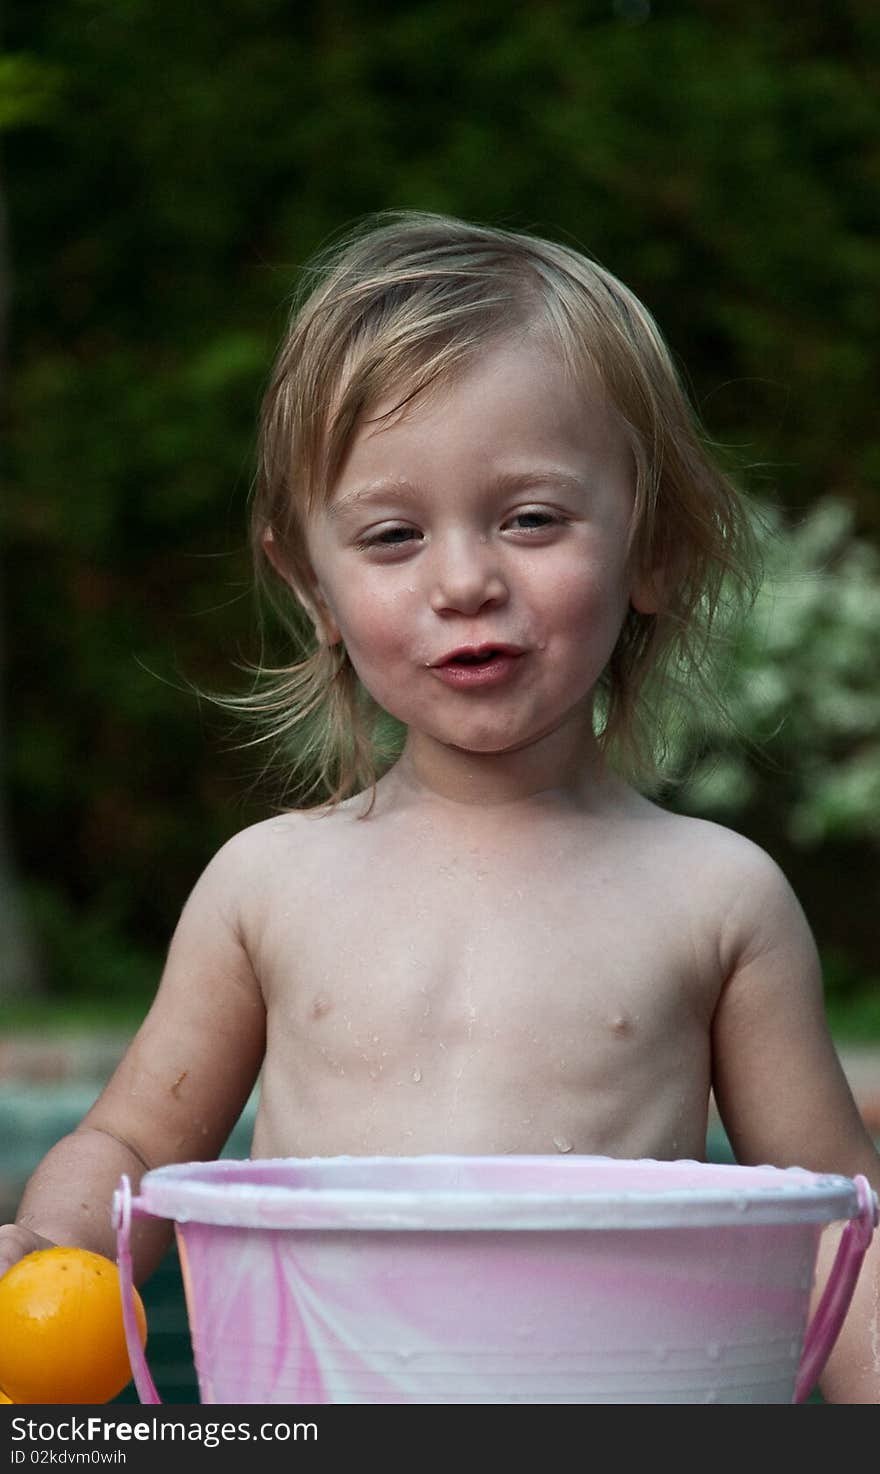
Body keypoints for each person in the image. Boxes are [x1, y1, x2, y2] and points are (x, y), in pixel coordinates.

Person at [2, 212, 877, 1402]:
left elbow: (830, 1215)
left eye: (529, 518)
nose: (465, 580)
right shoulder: (268, 883)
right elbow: (135, 1151)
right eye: (394, 535)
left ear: (654, 549)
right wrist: (51, 1263)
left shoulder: (714, 896)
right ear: (312, 584)